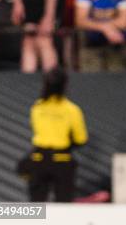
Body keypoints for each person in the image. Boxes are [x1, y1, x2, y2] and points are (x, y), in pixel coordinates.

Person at [28, 67, 88, 202]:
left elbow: (37, 129)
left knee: (36, 207)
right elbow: (81, 138)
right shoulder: (72, 109)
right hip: (62, 159)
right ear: (65, 85)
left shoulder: (37, 107)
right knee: (64, 207)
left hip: (39, 158)